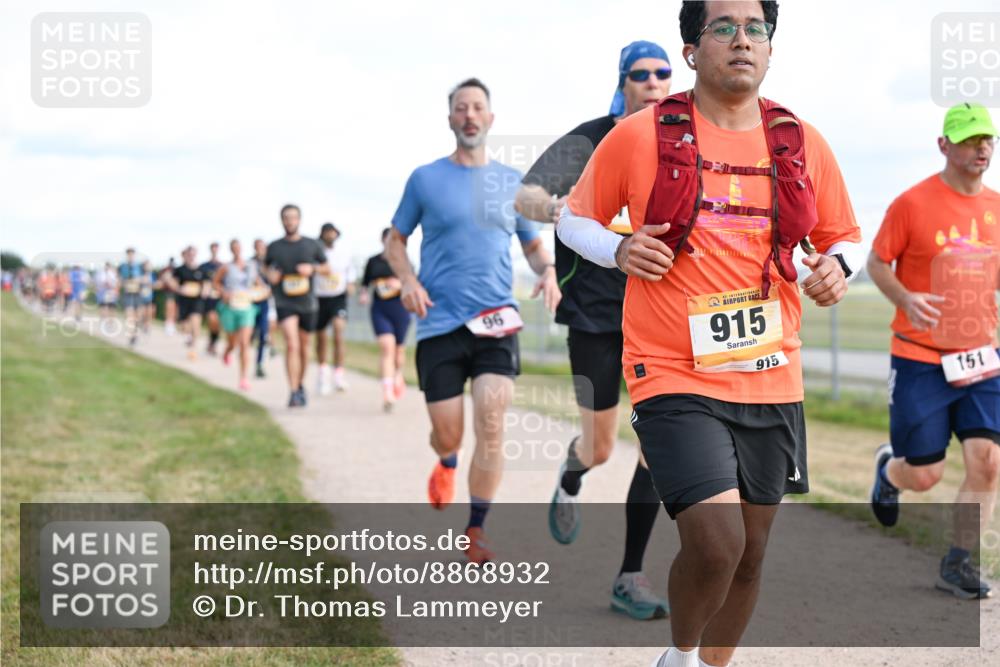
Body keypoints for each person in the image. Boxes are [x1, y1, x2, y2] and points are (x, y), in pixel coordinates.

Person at [556, 3, 864, 665]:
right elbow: (572, 218)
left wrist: (836, 267)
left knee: (750, 556)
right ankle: (681, 654)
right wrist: (617, 250)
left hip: (771, 370)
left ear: (771, 48)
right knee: (717, 542)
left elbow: (842, 238)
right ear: (693, 50)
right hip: (671, 369)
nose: (742, 40)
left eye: (756, 28)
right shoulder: (641, 135)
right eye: (723, 27)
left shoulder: (799, 140)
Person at [516, 39, 672, 620]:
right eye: (641, 74)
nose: (653, 82)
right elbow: (527, 194)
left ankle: (630, 574)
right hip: (595, 313)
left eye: (663, 73)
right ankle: (574, 468)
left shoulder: (682, 137)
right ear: (623, 82)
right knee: (602, 446)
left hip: (661, 314)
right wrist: (556, 210)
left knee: (658, 445)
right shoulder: (589, 137)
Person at [386, 77, 560, 564]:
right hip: (439, 323)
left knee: (492, 420)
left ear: (490, 118)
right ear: (450, 119)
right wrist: (407, 280)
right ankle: (445, 460)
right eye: (460, 107)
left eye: (477, 107)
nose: (469, 115)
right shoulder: (424, 179)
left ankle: (476, 527)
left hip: (495, 322)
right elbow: (395, 241)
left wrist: (548, 273)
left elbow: (531, 243)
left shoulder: (512, 182)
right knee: (450, 434)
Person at [867, 102, 999, 601]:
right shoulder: (912, 204)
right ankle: (890, 471)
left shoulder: (997, 207)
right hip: (920, 355)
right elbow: (879, 262)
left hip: (981, 356)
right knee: (924, 474)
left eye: (987, 138)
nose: (980, 147)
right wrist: (904, 296)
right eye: (968, 139)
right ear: (944, 145)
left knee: (987, 461)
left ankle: (959, 562)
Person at [265, 204, 329, 407]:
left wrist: (312, 268)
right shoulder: (274, 246)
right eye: (286, 217)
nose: (289, 221)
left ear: (299, 220)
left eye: (293, 217)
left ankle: (300, 384)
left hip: (307, 303)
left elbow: (327, 268)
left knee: (303, 348)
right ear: (281, 220)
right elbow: (266, 267)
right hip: (285, 301)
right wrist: (270, 275)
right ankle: (293, 390)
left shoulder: (312, 244)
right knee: (291, 345)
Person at [360, 227, 413, 411]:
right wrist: (364, 294)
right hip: (380, 308)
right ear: (382, 240)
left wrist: (399, 284)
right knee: (386, 347)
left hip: (400, 309)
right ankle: (387, 393)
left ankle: (398, 374)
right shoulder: (373, 262)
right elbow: (364, 284)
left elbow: (413, 283)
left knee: (398, 353)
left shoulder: (405, 262)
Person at [214, 239, 262, 391]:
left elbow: (258, 283)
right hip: (230, 307)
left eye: (238, 248)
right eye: (233, 248)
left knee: (244, 344)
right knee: (233, 343)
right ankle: (227, 351)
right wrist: (224, 293)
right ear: (230, 250)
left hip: (246, 307)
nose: (236, 250)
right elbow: (216, 282)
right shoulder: (226, 267)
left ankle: (243, 378)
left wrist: (262, 291)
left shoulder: (250, 266)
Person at [315, 222, 357, 395]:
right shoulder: (315, 252)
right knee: (322, 337)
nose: (330, 235)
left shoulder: (343, 253)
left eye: (332, 232)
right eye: (326, 232)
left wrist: (350, 284)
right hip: (319, 297)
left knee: (339, 332)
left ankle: (339, 374)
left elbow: (350, 272)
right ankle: (322, 372)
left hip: (337, 297)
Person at [167, 246, 207, 360]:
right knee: (184, 326)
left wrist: (205, 291)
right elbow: (172, 282)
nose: (191, 256)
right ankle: (189, 336)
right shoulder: (180, 269)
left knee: (196, 322)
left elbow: (206, 283)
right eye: (189, 254)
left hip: (197, 300)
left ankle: (193, 350)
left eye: (193, 254)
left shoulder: (200, 269)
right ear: (185, 255)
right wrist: (179, 288)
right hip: (184, 301)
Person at [248, 238, 273, 378]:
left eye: (262, 246)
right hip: (250, 301)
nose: (260, 249)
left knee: (263, 333)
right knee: (249, 333)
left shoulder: (270, 263)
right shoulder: (250, 263)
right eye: (258, 246)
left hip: (264, 302)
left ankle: (259, 364)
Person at [200, 242, 224, 355]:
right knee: (211, 320)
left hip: (219, 298)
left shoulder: (222, 266)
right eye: (213, 248)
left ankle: (213, 343)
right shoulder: (204, 266)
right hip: (209, 298)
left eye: (216, 248)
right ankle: (211, 342)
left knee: (217, 323)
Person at [160, 257, 178, 335]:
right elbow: (163, 279)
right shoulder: (166, 270)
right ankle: (168, 324)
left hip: (176, 291)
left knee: (175, 308)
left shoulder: (176, 270)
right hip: (168, 291)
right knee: (169, 307)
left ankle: (172, 324)